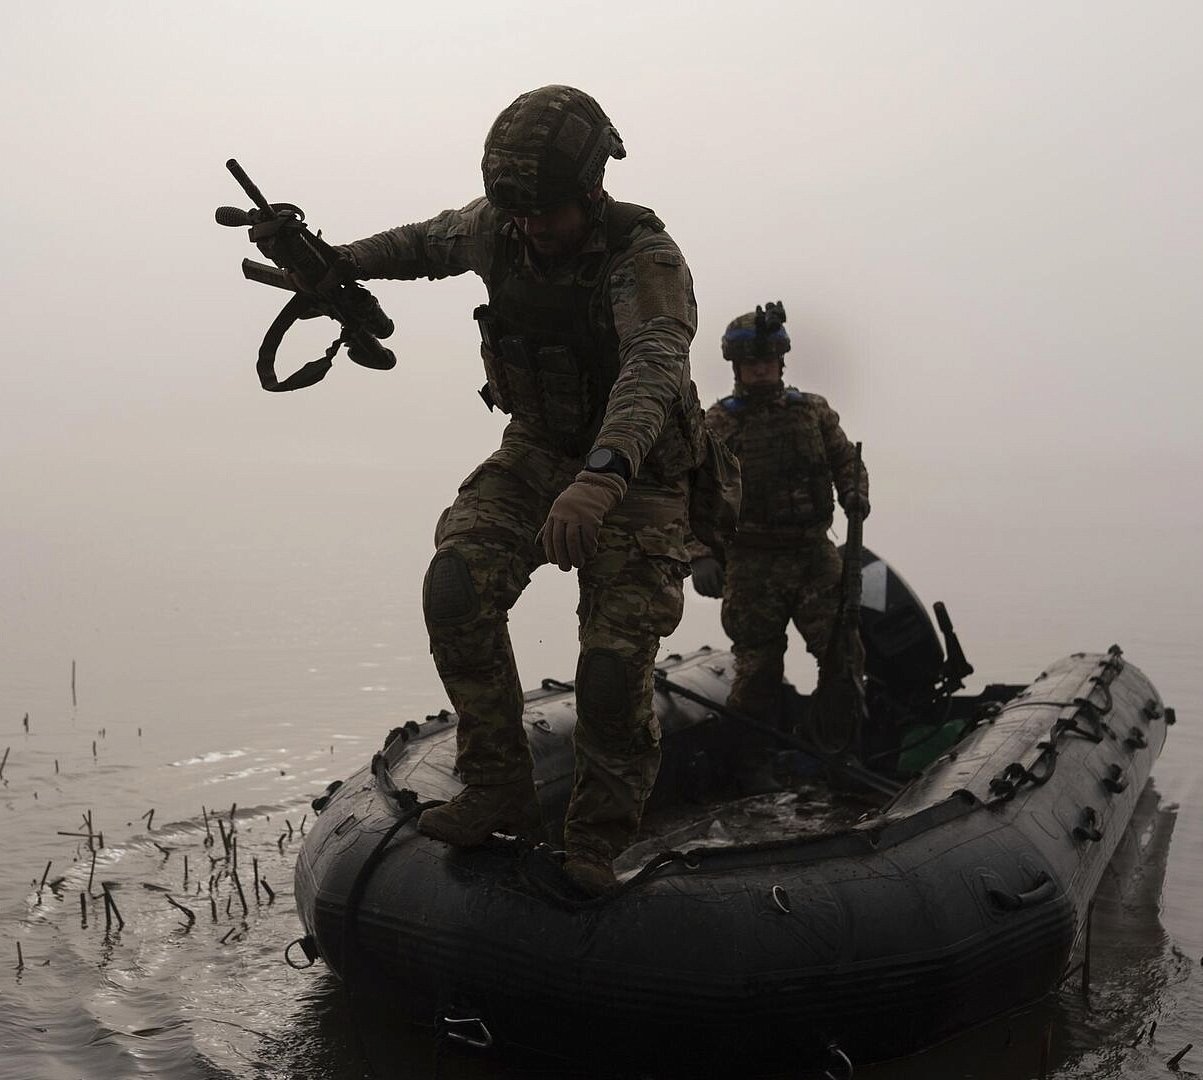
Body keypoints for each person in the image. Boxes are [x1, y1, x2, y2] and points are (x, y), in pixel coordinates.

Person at [312, 85, 725, 895]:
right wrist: (340, 261)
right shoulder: (500, 227)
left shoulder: (646, 259)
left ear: (592, 190)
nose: (533, 230)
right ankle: (496, 783)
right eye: (521, 215)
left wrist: (600, 480)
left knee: (611, 669)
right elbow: (423, 243)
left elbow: (651, 369)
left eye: (549, 214)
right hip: (538, 449)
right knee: (456, 585)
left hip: (638, 477)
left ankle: (596, 844)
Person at [691, 303, 869, 731]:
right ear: (737, 367)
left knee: (842, 654)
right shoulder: (718, 424)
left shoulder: (812, 412)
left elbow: (846, 460)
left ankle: (840, 751)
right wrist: (699, 554)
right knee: (757, 667)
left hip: (814, 556)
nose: (760, 370)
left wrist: (854, 494)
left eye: (767, 361)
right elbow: (692, 492)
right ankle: (751, 765)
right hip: (752, 563)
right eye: (751, 362)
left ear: (781, 362)